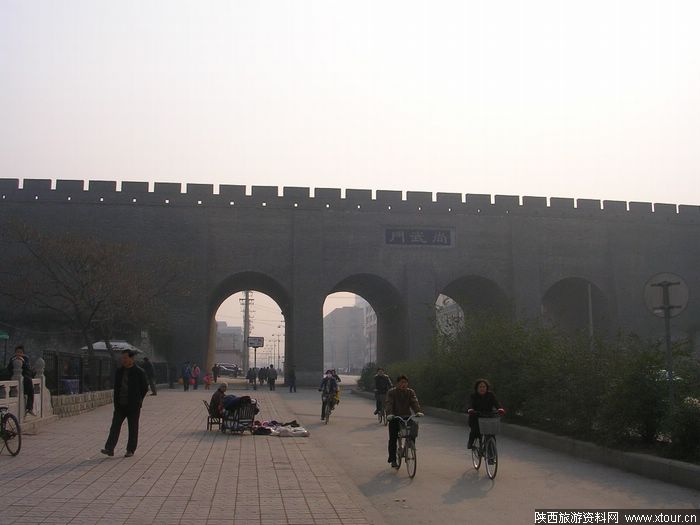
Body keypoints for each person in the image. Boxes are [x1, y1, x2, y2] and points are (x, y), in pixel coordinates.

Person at [101, 350, 148, 458]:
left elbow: (144, 388)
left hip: (133, 406)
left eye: (125, 358)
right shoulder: (119, 371)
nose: (123, 360)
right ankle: (109, 448)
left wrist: (138, 400)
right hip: (120, 405)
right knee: (115, 426)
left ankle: (130, 449)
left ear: (132, 359)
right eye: (122, 358)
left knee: (133, 428)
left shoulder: (139, 372)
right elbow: (116, 387)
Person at [385, 375, 424, 469]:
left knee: (413, 428)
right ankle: (393, 459)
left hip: (406, 417)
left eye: (405, 382)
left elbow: (414, 402)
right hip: (394, 417)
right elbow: (389, 403)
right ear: (397, 383)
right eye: (401, 382)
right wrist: (389, 414)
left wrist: (417, 411)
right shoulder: (392, 392)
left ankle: (410, 446)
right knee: (393, 438)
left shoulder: (410, 392)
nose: (404, 384)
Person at [467, 379, 505, 449]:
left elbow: (496, 403)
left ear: (487, 388)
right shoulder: (473, 396)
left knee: (491, 433)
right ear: (477, 388)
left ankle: (492, 450)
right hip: (476, 416)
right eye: (480, 387)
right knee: (475, 431)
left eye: (484, 387)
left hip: (488, 416)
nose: (482, 388)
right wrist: (470, 409)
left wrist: (500, 408)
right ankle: (470, 443)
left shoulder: (490, 395)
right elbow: (470, 404)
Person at [8, 345, 35, 416]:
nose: (19, 354)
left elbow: (28, 369)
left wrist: (23, 361)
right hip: (14, 377)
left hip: (25, 377)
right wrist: (12, 361)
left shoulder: (26, 358)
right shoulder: (12, 358)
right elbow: (9, 368)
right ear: (15, 352)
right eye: (17, 352)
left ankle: (30, 408)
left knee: (31, 389)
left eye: (20, 352)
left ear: (23, 353)